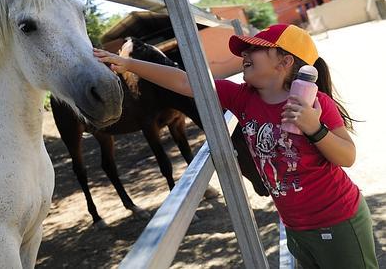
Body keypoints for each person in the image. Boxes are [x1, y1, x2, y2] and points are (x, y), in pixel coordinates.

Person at [94, 24, 377, 268]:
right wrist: (127, 64)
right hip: (296, 228)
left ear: (285, 62)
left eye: (254, 49)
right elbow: (184, 80)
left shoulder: (316, 104)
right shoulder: (242, 98)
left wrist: (315, 127)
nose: (244, 54)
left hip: (338, 223)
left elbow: (347, 156)